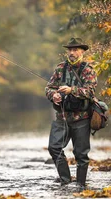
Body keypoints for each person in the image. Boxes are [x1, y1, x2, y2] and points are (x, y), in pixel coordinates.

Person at [45, 37, 97, 189]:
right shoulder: (60, 68)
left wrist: (71, 90)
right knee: (54, 148)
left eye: (75, 50)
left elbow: (90, 91)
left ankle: (81, 185)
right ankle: (65, 180)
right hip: (62, 116)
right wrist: (53, 95)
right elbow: (49, 87)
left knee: (81, 155)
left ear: (82, 51)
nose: (72, 52)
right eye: (70, 50)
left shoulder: (88, 70)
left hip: (82, 118)